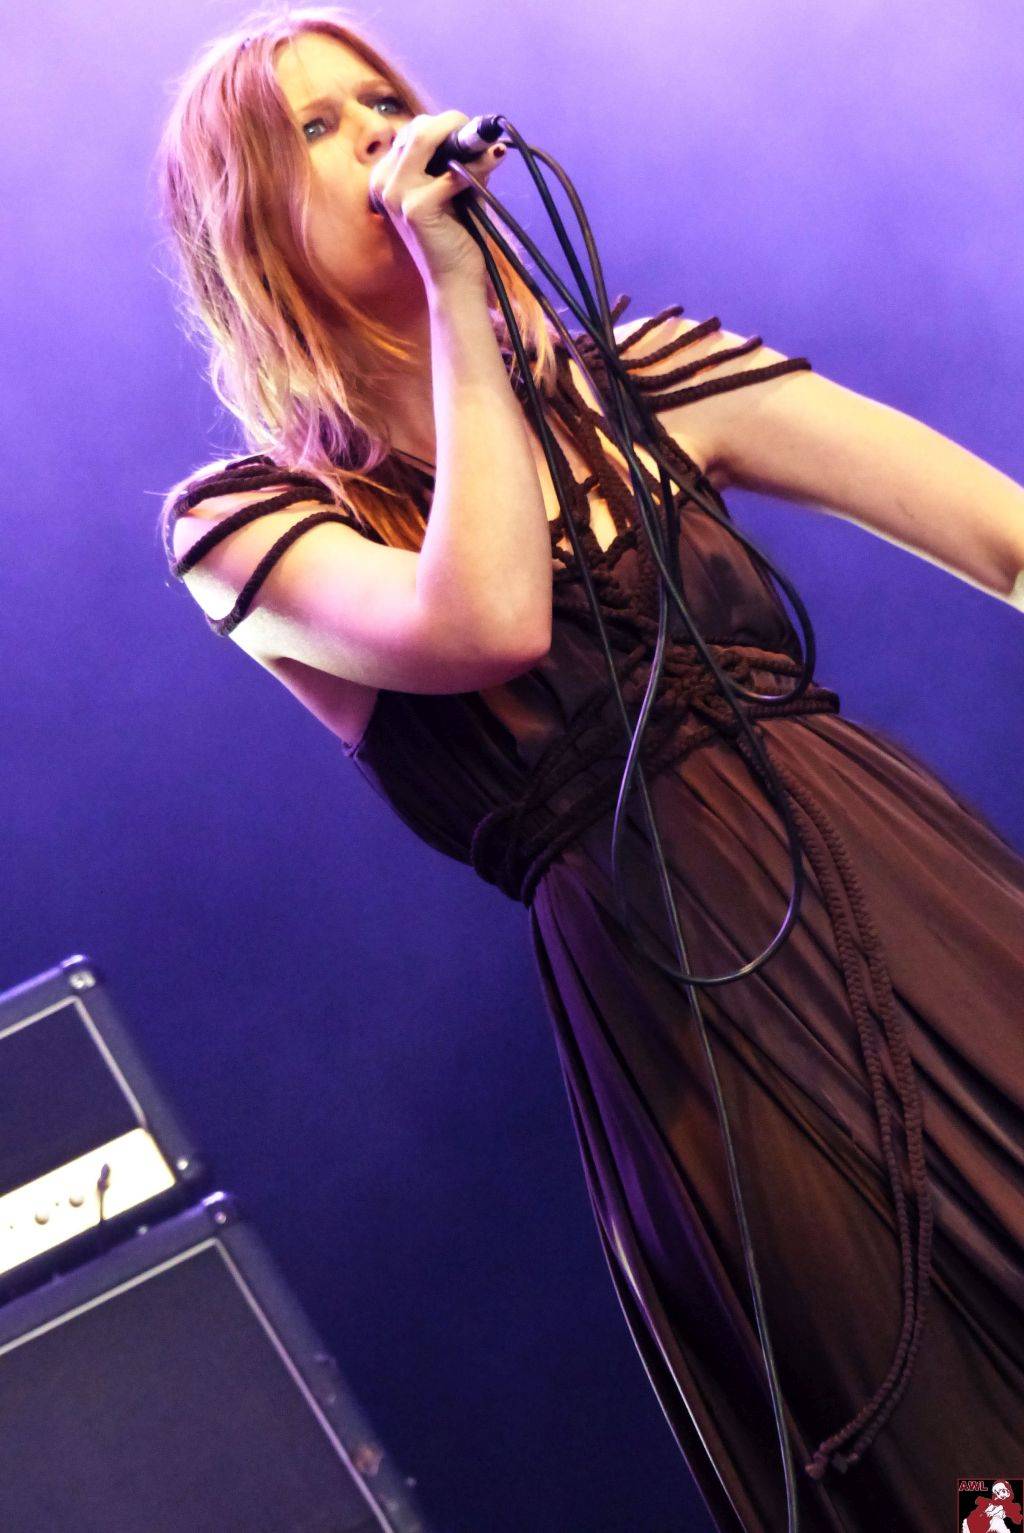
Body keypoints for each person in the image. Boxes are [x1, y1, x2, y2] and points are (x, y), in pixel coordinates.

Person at [154, 9, 1024, 1530]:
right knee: (929, 1424)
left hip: (901, 886)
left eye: (382, 100)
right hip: (683, 1010)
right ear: (248, 225)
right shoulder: (247, 523)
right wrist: (459, 301)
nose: (375, 134)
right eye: (316, 129)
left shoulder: (650, 376)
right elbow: (487, 618)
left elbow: (1006, 541)